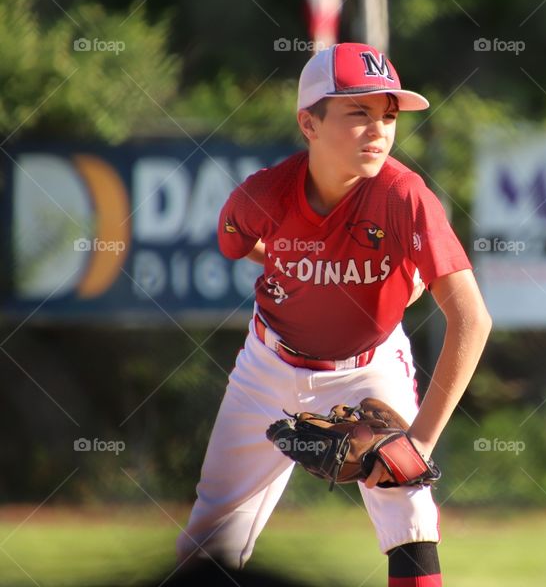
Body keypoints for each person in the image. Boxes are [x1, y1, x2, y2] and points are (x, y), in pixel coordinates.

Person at [176, 42, 492, 587]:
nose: (380, 130)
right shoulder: (264, 196)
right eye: (359, 113)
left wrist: (419, 442)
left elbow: (472, 318)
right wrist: (299, 263)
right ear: (309, 122)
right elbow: (235, 244)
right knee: (209, 542)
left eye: (389, 116)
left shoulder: (403, 195)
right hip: (267, 370)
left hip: (370, 368)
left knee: (411, 518)